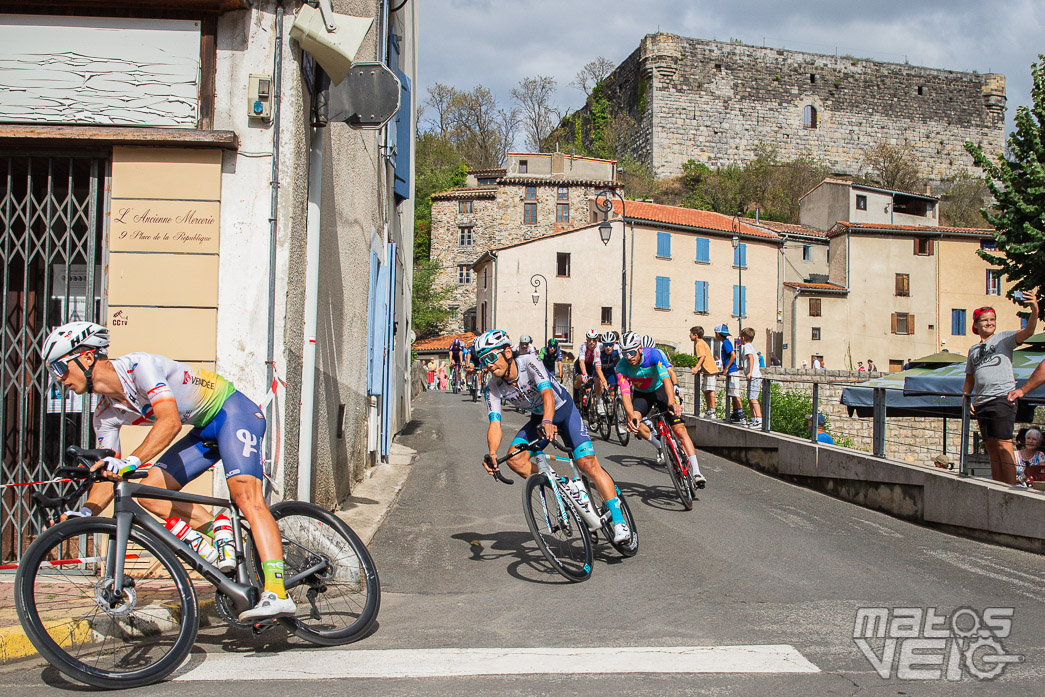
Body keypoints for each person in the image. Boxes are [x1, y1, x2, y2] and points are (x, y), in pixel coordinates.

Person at [41, 321, 294, 621]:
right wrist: (84, 513)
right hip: (204, 431)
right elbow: (111, 472)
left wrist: (131, 461)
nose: (59, 379)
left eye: (59, 368)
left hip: (233, 412)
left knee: (246, 498)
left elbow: (170, 422)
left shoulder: (139, 367)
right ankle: (219, 534)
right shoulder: (105, 414)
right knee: (149, 494)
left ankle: (277, 592)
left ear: (85, 357)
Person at [475, 330, 632, 543]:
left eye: (491, 357)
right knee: (514, 459)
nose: (489, 365)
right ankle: (564, 485)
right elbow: (495, 423)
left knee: (587, 464)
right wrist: (492, 453)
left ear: (506, 352)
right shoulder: (493, 387)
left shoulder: (529, 362)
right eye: (484, 361)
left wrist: (549, 421)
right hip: (540, 419)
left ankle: (619, 520)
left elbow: (547, 393)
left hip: (563, 411)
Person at [963, 293, 1040, 484]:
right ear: (976, 325)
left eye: (992, 319)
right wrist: (966, 398)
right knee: (991, 446)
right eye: (984, 320)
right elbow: (969, 379)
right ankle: (998, 486)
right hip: (982, 402)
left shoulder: (1004, 339)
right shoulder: (973, 350)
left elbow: (1028, 332)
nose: (989, 323)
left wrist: (1035, 310)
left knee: (1004, 444)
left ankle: (1010, 487)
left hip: (1001, 397)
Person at [615, 332, 707, 487]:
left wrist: (672, 402)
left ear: (640, 349)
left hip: (660, 390)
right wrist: (632, 417)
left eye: (631, 352)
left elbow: (666, 379)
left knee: (679, 429)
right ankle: (660, 445)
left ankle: (697, 472)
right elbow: (625, 394)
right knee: (635, 422)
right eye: (624, 353)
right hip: (642, 395)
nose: (628, 357)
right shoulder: (621, 367)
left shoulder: (654, 355)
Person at [715, 324, 744, 423]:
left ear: (718, 334)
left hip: (732, 372)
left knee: (735, 394)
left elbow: (733, 355)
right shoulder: (726, 342)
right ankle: (736, 413)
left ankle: (740, 415)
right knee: (732, 393)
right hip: (730, 371)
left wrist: (726, 368)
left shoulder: (726, 343)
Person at [688, 326, 719, 418]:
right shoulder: (702, 343)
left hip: (710, 370)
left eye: (691, 334)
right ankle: (709, 409)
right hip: (707, 370)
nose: (689, 336)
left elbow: (703, 356)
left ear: (695, 335)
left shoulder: (699, 344)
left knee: (710, 390)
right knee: (705, 390)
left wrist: (696, 368)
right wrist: (702, 370)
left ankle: (712, 411)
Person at [738, 328, 762, 429]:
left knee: (753, 398)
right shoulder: (751, 346)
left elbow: (751, 358)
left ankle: (759, 420)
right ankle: (753, 419)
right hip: (753, 375)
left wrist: (750, 373)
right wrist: (743, 368)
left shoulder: (747, 346)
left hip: (754, 376)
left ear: (743, 338)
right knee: (750, 397)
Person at [575, 329, 607, 406]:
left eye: (594, 340)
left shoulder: (600, 346)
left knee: (595, 383)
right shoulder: (583, 346)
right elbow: (581, 362)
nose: (591, 342)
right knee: (580, 379)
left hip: (593, 365)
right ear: (587, 340)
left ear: (597, 340)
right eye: (589, 340)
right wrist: (585, 374)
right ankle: (576, 397)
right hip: (583, 364)